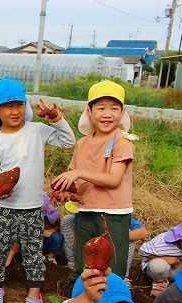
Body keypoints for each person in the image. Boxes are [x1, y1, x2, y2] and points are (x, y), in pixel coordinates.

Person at [0, 77, 76, 303]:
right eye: (8, 106)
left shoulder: (36, 130)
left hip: (33, 208)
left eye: (19, 104)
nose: (14, 111)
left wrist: (57, 119)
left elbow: (68, 142)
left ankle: (33, 297)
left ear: (25, 105)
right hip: (4, 208)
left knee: (33, 253)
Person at [52, 80, 135, 278]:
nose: (107, 114)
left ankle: (113, 297)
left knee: (113, 268)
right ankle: (85, 297)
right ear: (89, 111)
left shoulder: (122, 142)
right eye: (101, 108)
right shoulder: (82, 143)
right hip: (86, 212)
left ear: (122, 112)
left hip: (113, 214)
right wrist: (67, 192)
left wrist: (79, 173)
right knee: (85, 265)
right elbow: (77, 183)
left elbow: (113, 179)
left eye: (114, 108)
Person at [62, 213, 149, 280]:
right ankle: (73, 266)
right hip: (90, 251)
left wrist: (114, 236)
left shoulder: (117, 216)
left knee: (127, 236)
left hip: (110, 252)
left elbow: (143, 232)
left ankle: (121, 277)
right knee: (67, 220)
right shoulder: (84, 216)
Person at [139, 222, 182, 293]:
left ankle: (179, 286)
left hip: (178, 270)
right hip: (160, 270)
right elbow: (142, 251)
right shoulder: (162, 242)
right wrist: (166, 259)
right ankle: (160, 285)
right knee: (158, 265)